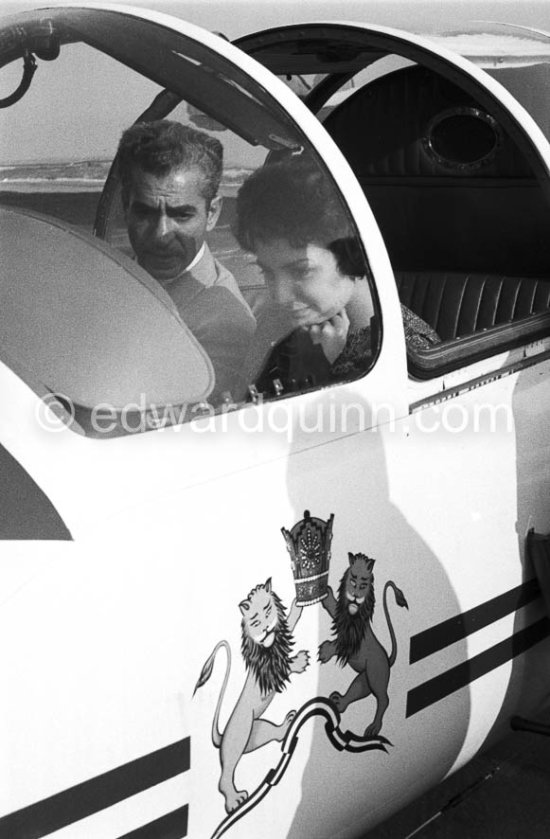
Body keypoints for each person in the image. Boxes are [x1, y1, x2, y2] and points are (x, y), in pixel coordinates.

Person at [234, 156, 440, 397]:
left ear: (353, 253)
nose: (279, 295)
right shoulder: (291, 325)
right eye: (267, 271)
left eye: (302, 271)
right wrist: (262, 343)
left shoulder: (405, 356)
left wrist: (311, 372)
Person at [117, 120, 255, 402]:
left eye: (181, 215)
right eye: (145, 213)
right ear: (125, 206)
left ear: (213, 213)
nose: (161, 234)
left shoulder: (224, 322)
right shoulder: (110, 272)